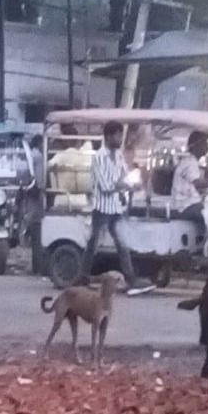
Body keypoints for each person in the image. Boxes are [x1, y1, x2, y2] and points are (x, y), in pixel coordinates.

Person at [81, 120, 146, 294]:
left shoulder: (118, 156)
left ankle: (131, 278)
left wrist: (133, 183)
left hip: (116, 207)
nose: (119, 139)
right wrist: (126, 184)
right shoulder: (98, 157)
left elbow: (124, 176)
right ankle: (82, 277)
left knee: (122, 242)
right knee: (93, 243)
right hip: (102, 207)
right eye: (117, 135)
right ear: (108, 136)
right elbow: (106, 186)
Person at [171, 129, 208, 249]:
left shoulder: (191, 161)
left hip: (188, 203)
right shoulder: (190, 162)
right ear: (197, 145)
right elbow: (198, 184)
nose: (207, 146)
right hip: (184, 207)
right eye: (205, 143)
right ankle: (203, 248)